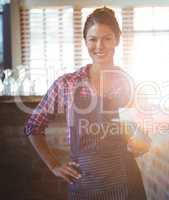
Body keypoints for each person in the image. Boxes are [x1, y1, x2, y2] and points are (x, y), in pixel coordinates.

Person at [24, 7, 149, 200]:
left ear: (116, 40)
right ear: (85, 42)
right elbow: (33, 126)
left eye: (107, 38)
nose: (100, 45)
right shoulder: (67, 83)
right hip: (84, 186)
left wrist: (142, 143)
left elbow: (142, 130)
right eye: (93, 39)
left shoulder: (129, 83)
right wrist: (54, 165)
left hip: (126, 184)